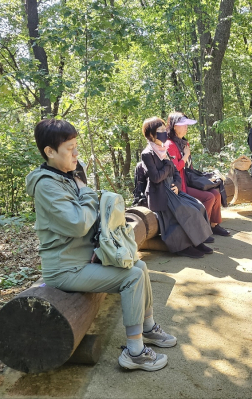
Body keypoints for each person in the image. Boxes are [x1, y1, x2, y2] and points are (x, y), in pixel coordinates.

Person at [25, 119, 174, 372]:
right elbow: (78, 224)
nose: (76, 153)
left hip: (83, 258)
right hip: (65, 268)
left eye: (76, 146)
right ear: (49, 152)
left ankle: (147, 327)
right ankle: (135, 353)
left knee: (138, 266)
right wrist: (88, 192)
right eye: (69, 148)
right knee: (132, 278)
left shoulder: (66, 175)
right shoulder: (47, 185)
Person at [139, 117, 214, 259]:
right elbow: (155, 178)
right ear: (150, 134)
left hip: (172, 189)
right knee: (184, 211)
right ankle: (183, 247)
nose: (163, 132)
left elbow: (175, 173)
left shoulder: (163, 148)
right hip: (159, 192)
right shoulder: (147, 154)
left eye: (163, 129)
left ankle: (197, 242)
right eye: (159, 130)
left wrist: (177, 186)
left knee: (197, 206)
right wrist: (168, 165)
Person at [166, 111, 230, 236]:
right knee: (209, 197)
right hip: (180, 186)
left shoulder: (184, 142)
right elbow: (174, 168)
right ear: (174, 126)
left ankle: (213, 225)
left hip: (189, 181)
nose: (186, 127)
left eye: (187, 125)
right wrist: (185, 156)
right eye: (183, 125)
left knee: (216, 194)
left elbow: (189, 167)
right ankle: (200, 229)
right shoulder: (170, 144)